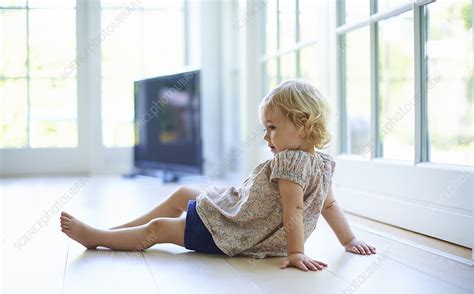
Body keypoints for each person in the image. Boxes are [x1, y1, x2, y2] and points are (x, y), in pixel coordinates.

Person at [60, 79, 376, 272]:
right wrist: (348, 239)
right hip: (237, 210)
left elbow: (296, 209)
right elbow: (330, 205)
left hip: (236, 231)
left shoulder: (291, 162)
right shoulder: (320, 161)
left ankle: (99, 238)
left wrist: (296, 253)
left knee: (159, 229)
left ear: (303, 123)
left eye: (272, 128)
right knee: (184, 194)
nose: (266, 137)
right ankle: (116, 232)